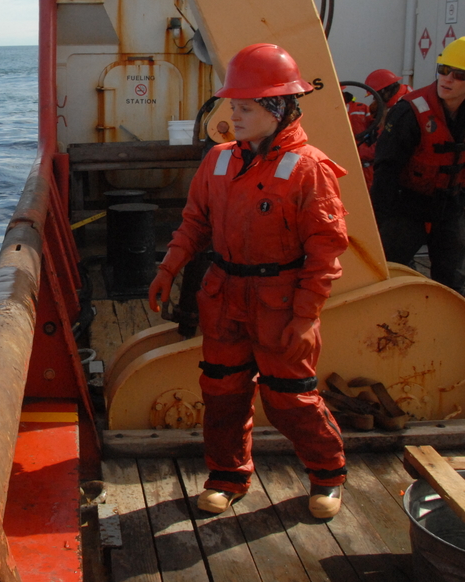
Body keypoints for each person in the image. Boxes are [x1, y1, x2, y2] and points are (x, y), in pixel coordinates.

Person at [148, 43, 349, 519]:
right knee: (222, 393)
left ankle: (328, 477)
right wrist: (168, 268)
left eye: (245, 106)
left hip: (279, 301)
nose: (234, 115)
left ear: (277, 109)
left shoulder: (309, 170)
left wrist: (305, 317)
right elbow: (195, 221)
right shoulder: (217, 160)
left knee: (291, 399)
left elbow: (326, 252)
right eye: (232, 106)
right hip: (224, 295)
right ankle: (227, 477)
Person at [371, 37, 465, 294]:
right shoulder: (410, 112)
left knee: (452, 281)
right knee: (389, 275)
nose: (447, 79)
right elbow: (386, 171)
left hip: (450, 208)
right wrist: (380, 221)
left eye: (458, 75)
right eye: (443, 70)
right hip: (406, 208)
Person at [354, 69, 410, 189]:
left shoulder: (400, 110)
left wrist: (357, 152)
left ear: (384, 90)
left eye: (375, 95)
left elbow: (383, 145)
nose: (374, 99)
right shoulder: (404, 95)